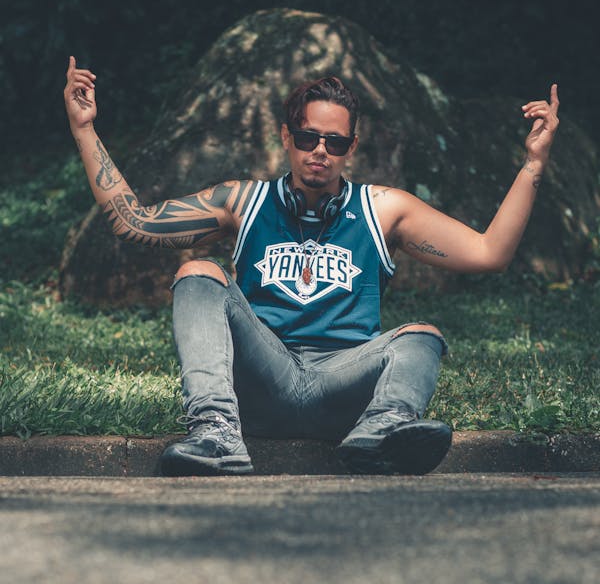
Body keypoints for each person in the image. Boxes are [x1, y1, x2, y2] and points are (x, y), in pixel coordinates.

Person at [63, 56, 559, 476]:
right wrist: (84, 129)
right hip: (262, 381)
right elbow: (135, 223)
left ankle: (381, 433)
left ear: (351, 148)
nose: (320, 150)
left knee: (422, 335)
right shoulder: (244, 201)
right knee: (198, 273)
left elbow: (490, 252)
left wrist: (534, 163)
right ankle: (215, 434)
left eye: (335, 142)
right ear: (286, 136)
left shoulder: (383, 209)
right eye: (307, 137)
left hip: (344, 393)